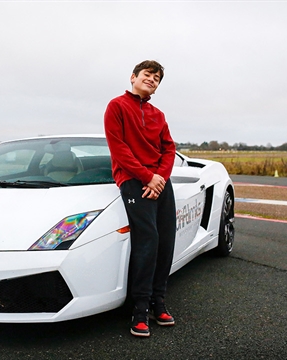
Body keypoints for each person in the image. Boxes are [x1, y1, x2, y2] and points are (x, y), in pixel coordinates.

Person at [103, 60, 177, 337]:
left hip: (159, 182)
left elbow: (169, 149)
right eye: (148, 75)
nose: (152, 80)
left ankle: (159, 302)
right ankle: (140, 310)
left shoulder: (159, 114)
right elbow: (119, 148)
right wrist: (148, 177)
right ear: (134, 77)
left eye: (157, 78)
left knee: (165, 243)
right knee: (148, 243)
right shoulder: (117, 106)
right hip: (135, 182)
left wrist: (160, 178)